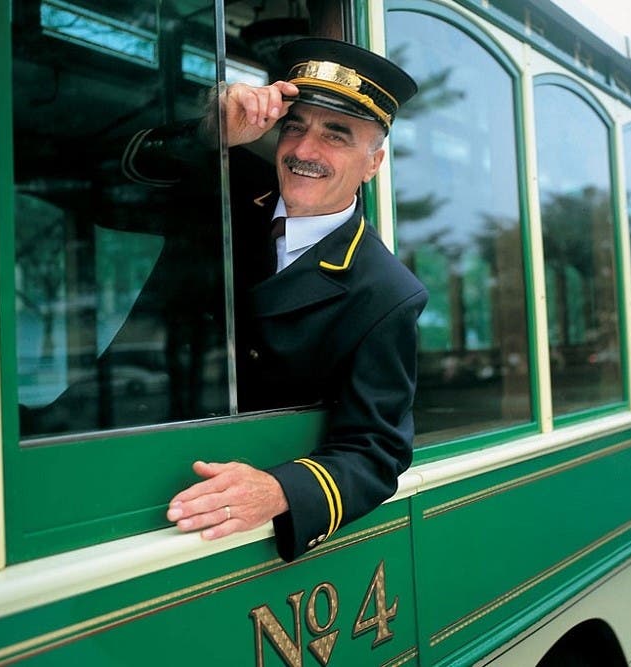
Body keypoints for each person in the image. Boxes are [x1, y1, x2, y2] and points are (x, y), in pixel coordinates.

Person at [153, 38, 428, 562]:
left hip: (224, 515)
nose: (304, 151)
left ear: (374, 163)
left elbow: (377, 450)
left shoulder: (386, 292)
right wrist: (211, 132)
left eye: (335, 136)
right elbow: (115, 188)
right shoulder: (227, 186)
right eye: (295, 126)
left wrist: (279, 491)